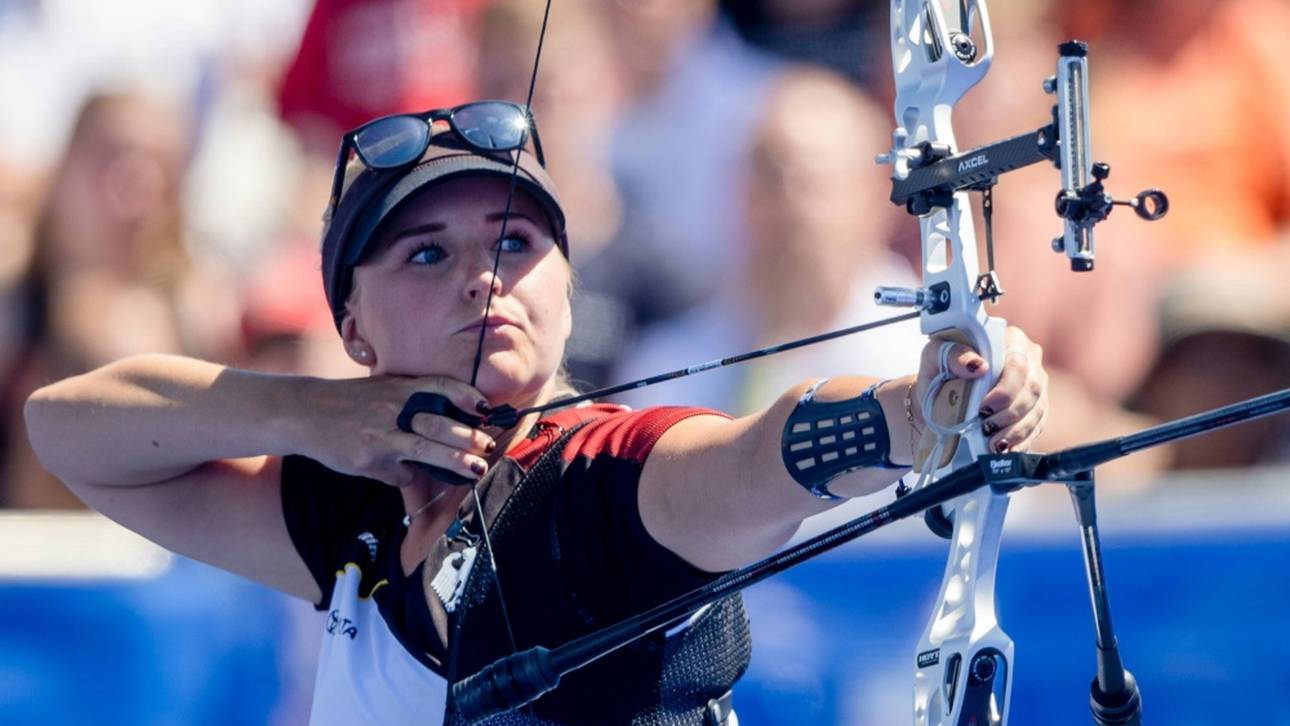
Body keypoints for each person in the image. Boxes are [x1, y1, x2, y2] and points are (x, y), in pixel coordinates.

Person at [24, 101, 1050, 725]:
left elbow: (750, 460)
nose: (483, 277)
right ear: (354, 328)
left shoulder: (603, 480)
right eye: (427, 255)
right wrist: (310, 416)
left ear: (567, 283)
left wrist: (920, 410)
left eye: (514, 244)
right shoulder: (350, 508)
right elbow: (68, 432)